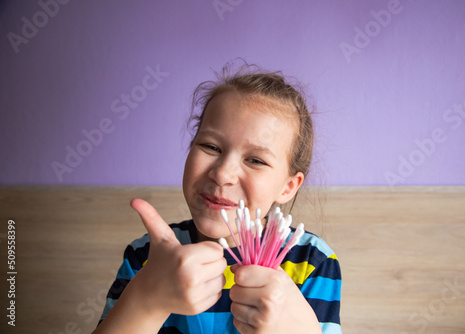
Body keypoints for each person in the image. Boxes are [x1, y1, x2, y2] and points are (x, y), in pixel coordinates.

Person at [94, 61, 342, 333]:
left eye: (256, 160)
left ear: (287, 187)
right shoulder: (148, 257)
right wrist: (147, 299)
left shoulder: (311, 260)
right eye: (211, 146)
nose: (223, 173)